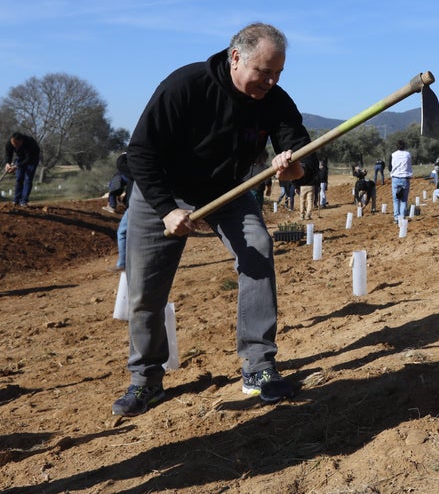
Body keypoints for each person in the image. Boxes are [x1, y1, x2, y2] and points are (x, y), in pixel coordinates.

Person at [115, 22, 318, 417]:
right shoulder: (185, 86)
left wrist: (295, 170)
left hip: (227, 190)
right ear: (236, 57)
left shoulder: (274, 100)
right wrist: (166, 208)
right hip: (162, 189)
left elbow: (305, 152)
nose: (271, 81)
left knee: (257, 247)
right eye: (264, 71)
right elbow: (140, 153)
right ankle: (145, 380)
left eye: (278, 73)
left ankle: (258, 366)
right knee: (145, 289)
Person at [4, 131, 41, 207]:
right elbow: (8, 153)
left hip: (32, 159)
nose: (15, 147)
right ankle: (16, 200)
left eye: (17, 144)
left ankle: (24, 201)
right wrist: (8, 163)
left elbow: (28, 158)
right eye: (14, 145)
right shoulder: (10, 143)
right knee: (19, 178)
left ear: (21, 141)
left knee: (28, 179)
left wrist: (16, 166)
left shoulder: (29, 142)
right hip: (20, 157)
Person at [390, 140, 413, 221]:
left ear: (396, 146)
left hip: (395, 178)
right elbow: (409, 164)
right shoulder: (408, 154)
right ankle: (402, 217)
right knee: (403, 199)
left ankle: (396, 218)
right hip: (405, 178)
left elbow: (390, 167)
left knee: (395, 200)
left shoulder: (393, 155)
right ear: (404, 146)